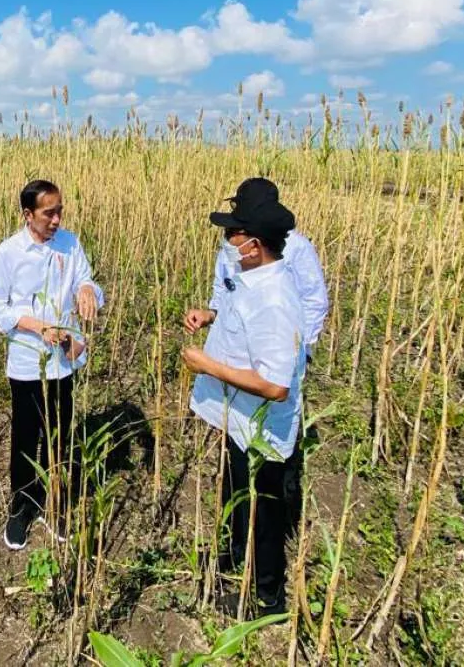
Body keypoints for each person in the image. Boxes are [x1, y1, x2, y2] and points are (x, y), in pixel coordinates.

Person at [180, 191, 306, 617]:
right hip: (240, 418)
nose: (227, 241)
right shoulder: (253, 277)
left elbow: (275, 386)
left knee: (266, 511)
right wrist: (210, 317)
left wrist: (207, 365)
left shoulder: (275, 299)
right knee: (237, 490)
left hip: (263, 426)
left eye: (233, 234)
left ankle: (268, 597)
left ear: (254, 245)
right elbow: (235, 318)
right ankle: (234, 556)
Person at [0, 179, 105, 551]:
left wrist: (87, 290)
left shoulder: (70, 243)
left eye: (60, 210)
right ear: (27, 215)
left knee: (63, 435)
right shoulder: (9, 252)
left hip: (63, 362)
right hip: (26, 360)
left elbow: (87, 281)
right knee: (25, 436)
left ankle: (58, 502)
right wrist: (37, 327)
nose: (56, 219)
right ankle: (22, 506)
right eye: (48, 212)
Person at [209, 178, 328, 361]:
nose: (229, 238)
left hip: (273, 352)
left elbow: (313, 299)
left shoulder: (296, 249)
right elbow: (223, 287)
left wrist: (301, 347)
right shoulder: (234, 244)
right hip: (233, 353)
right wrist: (211, 314)